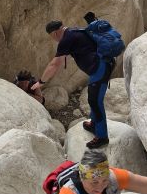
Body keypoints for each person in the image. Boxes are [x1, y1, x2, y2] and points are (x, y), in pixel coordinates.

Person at [32, 19, 113, 148]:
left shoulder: (66, 39)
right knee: (93, 97)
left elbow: (54, 64)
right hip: (100, 67)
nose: (54, 39)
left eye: (52, 36)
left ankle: (102, 137)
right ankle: (94, 124)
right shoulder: (74, 31)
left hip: (101, 69)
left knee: (95, 102)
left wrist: (41, 82)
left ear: (55, 33)